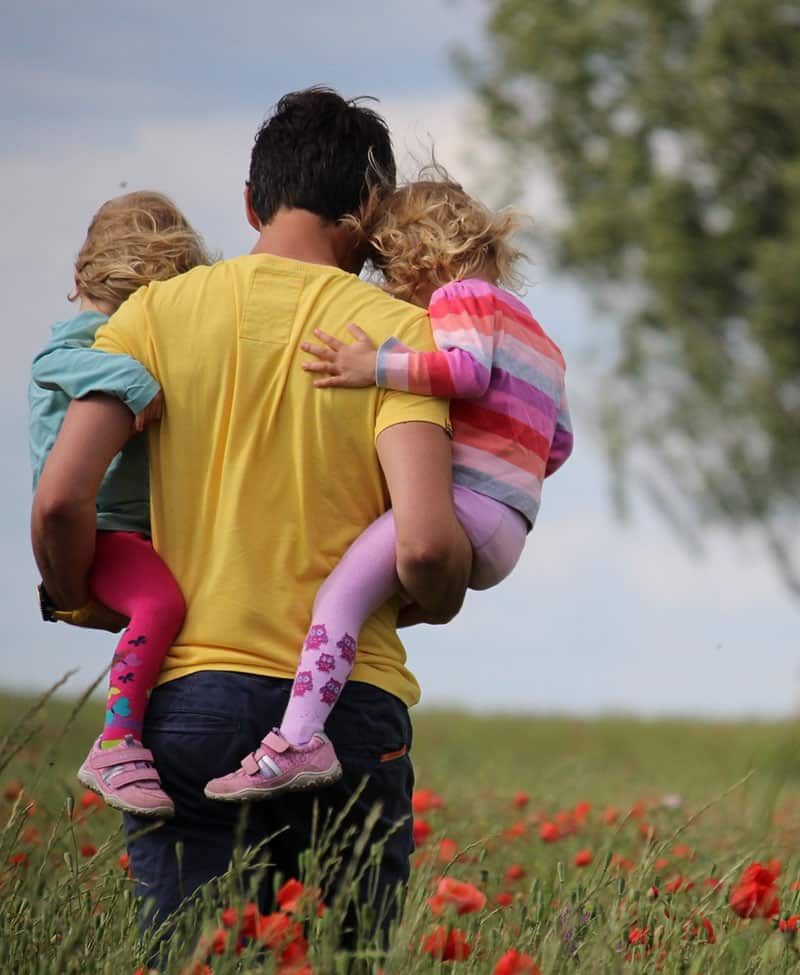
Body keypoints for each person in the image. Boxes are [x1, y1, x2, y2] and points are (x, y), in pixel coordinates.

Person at [31, 88, 472, 939]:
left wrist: (81, 591)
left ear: (249, 201)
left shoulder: (151, 316)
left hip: (188, 703)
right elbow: (423, 543)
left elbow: (59, 497)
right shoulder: (400, 337)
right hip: (348, 713)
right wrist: (441, 591)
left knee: (200, 958)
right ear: (371, 211)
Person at [205, 174, 574, 802]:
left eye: (390, 269)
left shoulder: (462, 298)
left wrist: (371, 365)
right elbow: (558, 444)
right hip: (510, 525)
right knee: (369, 599)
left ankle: (298, 740)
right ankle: (319, 708)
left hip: (465, 506)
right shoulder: (541, 337)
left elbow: (463, 371)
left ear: (418, 257)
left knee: (338, 598)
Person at [30, 190, 211, 816]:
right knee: (161, 603)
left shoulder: (115, 331)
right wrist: (134, 380)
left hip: (132, 529)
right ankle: (117, 741)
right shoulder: (87, 340)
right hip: (102, 528)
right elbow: (52, 361)